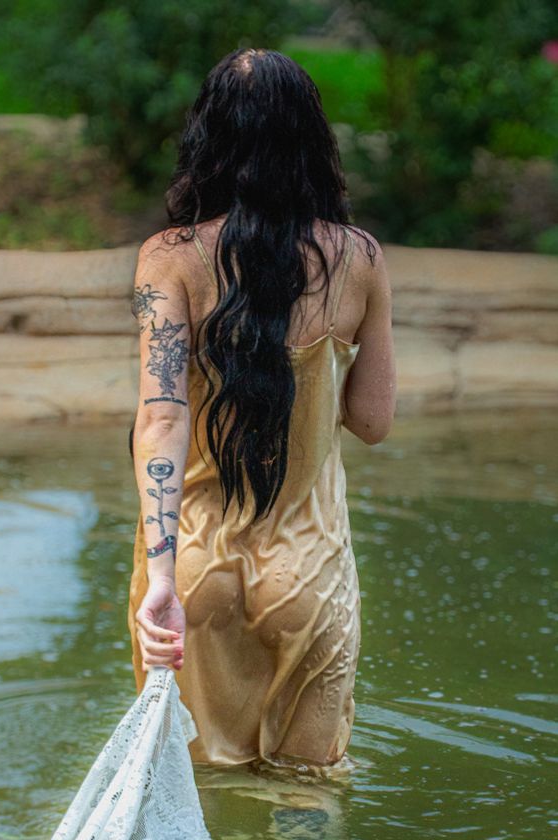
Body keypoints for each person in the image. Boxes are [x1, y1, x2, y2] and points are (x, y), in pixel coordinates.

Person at [128, 46, 396, 776]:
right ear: (313, 141)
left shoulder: (169, 259)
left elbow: (159, 419)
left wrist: (159, 581)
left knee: (193, 783)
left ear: (206, 140)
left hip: (192, 562)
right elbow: (373, 421)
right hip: (305, 570)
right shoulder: (359, 260)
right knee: (308, 792)